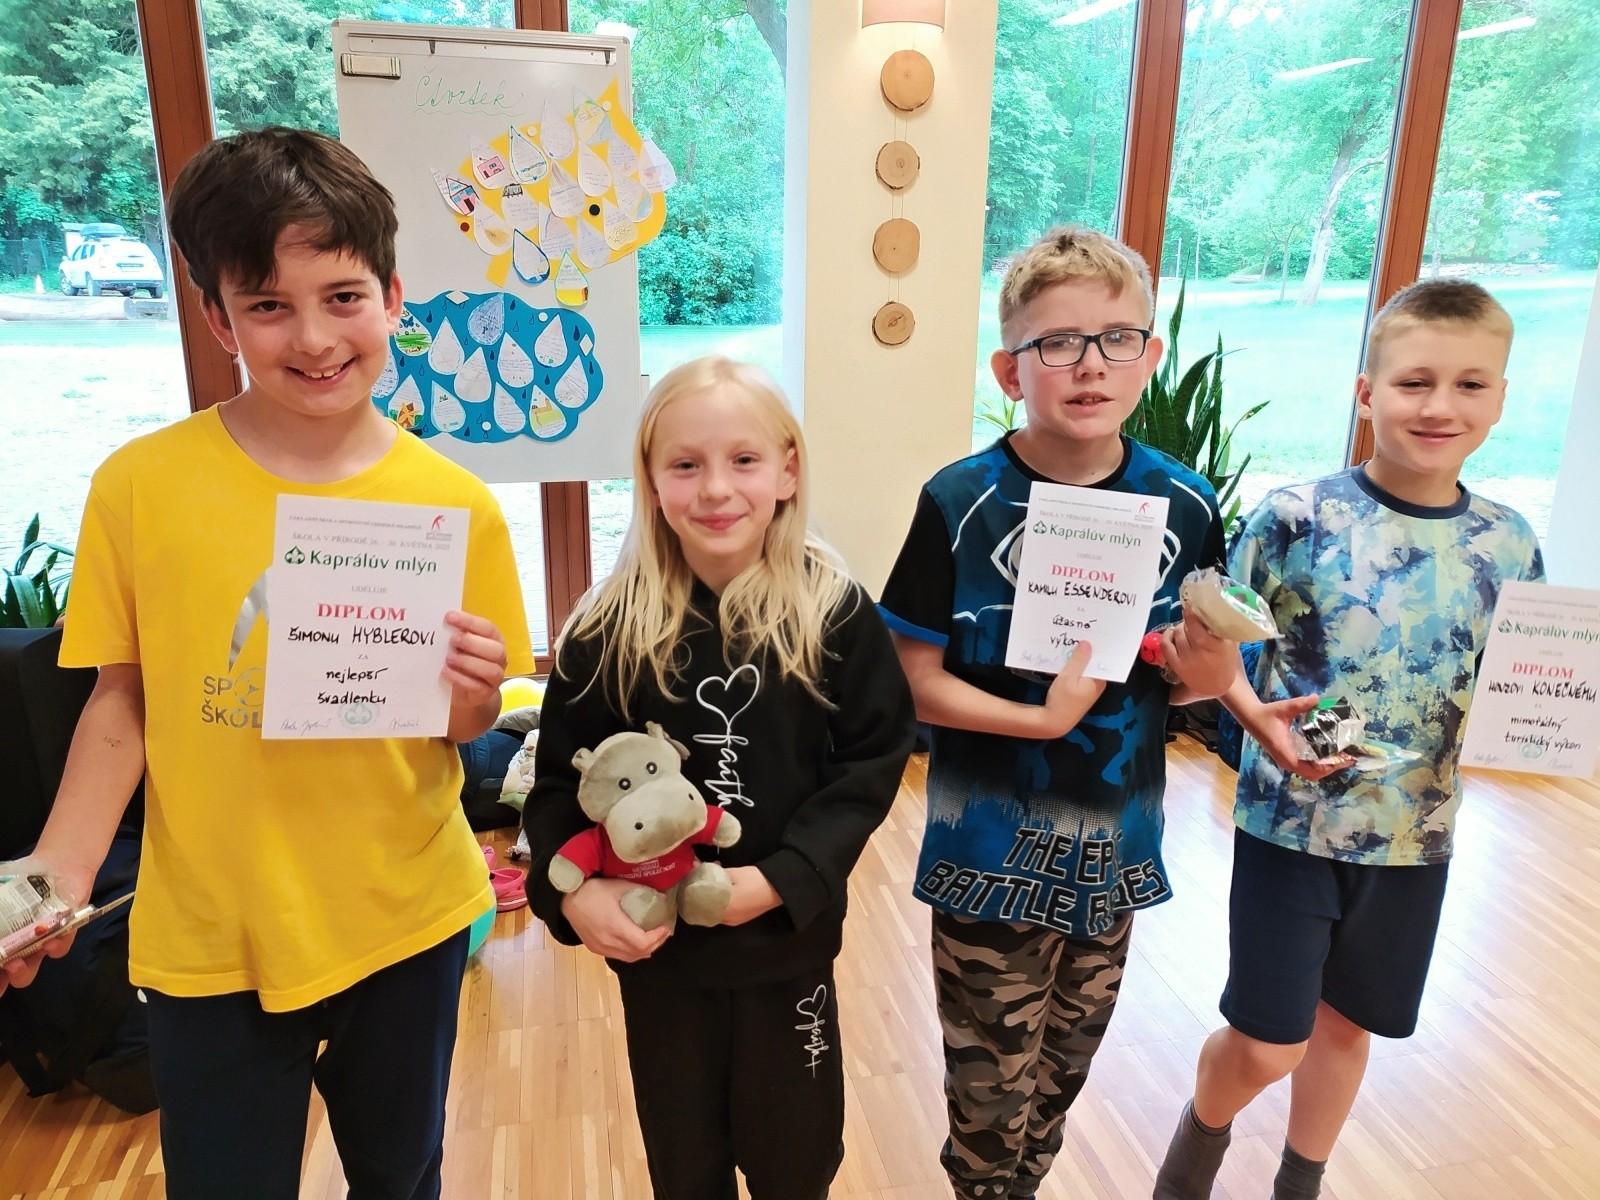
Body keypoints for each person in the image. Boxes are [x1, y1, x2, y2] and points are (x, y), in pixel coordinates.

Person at [0, 127, 534, 1199]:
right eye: (269, 306)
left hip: (406, 917)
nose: (315, 337)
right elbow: (120, 704)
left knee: (401, 1175)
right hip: (212, 932)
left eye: (342, 297)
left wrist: (474, 697)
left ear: (391, 296)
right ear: (218, 318)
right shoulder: (141, 488)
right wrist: (52, 878)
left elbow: (462, 728)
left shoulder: (454, 505)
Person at [1153, 279, 1544, 1200]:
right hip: (1291, 826)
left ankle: (1301, 1184)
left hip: (1418, 838)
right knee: (1268, 1042)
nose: (1440, 406)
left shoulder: (1511, 543)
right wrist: (1241, 706)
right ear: (1367, 394)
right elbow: (1207, 655)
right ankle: (1192, 1159)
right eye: (1414, 382)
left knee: (1346, 1027)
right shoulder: (1297, 518)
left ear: (1499, 398)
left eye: (1470, 385)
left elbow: (1522, 682)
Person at [880, 225, 1238, 1200]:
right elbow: (912, 681)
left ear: (1148, 358)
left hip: (1113, 852)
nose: (1090, 364)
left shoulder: (1185, 504)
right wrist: (1037, 722)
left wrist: (1211, 671)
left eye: (1117, 339)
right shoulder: (960, 501)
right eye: (1057, 342)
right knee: (988, 1094)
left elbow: (1183, 681)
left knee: (1060, 1078)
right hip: (988, 857)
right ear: (1010, 370)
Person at [524, 355, 918, 1200]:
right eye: (685, 464)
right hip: (663, 966)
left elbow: (870, 762)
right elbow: (556, 788)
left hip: (787, 954)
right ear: (649, 479)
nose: (714, 489)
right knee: (685, 1169)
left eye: (743, 460)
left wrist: (781, 879)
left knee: (796, 1166)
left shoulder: (835, 612)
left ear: (787, 471)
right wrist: (573, 898)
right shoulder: (605, 629)